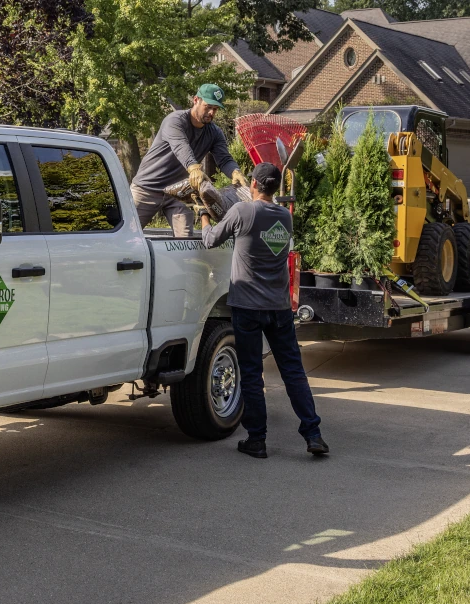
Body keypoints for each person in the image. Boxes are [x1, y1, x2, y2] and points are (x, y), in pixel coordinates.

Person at [201, 162, 327, 458]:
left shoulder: (243, 211)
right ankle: (313, 434)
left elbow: (209, 240)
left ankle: (257, 440)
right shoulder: (285, 216)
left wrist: (204, 215)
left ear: (254, 185)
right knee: (293, 372)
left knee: (252, 373)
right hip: (279, 308)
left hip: (247, 306)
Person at [132, 83, 249, 237]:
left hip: (178, 192)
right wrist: (194, 168)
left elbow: (224, 159)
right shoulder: (175, 121)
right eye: (208, 106)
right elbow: (181, 146)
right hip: (147, 188)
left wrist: (235, 171)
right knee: (128, 234)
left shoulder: (214, 133)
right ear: (196, 100)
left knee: (185, 239)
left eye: (215, 109)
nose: (211, 112)